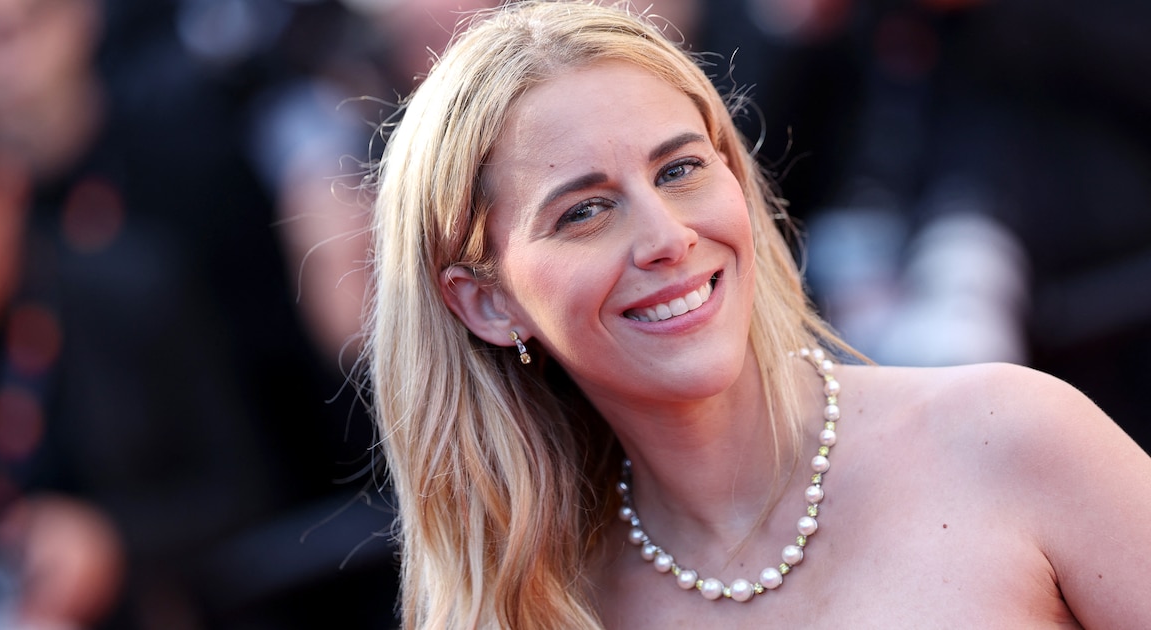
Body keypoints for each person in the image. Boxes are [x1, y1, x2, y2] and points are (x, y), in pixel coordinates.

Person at [361, 1, 1151, 627]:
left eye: (680, 170)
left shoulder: (1010, 438)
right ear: (488, 303)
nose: (668, 237)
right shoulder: (535, 610)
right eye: (585, 212)